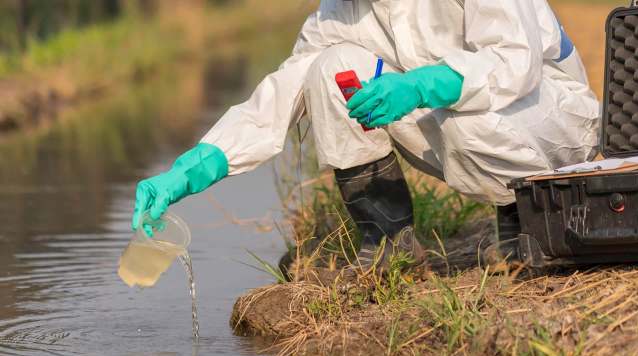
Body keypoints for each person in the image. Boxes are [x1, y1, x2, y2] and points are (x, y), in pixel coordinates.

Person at [132, 0, 599, 268]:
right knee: (328, 70)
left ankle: (524, 217)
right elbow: (278, 96)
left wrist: (421, 84)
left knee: (466, 113)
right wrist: (187, 172)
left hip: (549, 117)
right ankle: (389, 242)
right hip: (461, 118)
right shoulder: (340, 9)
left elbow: (514, 62)